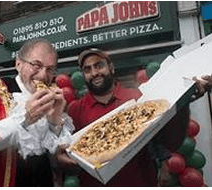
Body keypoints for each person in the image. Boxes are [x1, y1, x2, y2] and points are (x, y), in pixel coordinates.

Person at [67, 48, 211, 186]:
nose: (94, 73)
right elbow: (75, 156)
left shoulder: (138, 98)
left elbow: (166, 142)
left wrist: (183, 101)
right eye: (87, 69)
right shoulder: (75, 109)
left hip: (141, 181)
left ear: (111, 68)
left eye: (99, 66)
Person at [0, 38, 76, 187]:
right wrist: (25, 118)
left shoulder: (54, 98)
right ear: (18, 63)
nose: (42, 76)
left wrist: (55, 120)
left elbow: (53, 157)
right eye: (36, 65)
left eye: (50, 69)